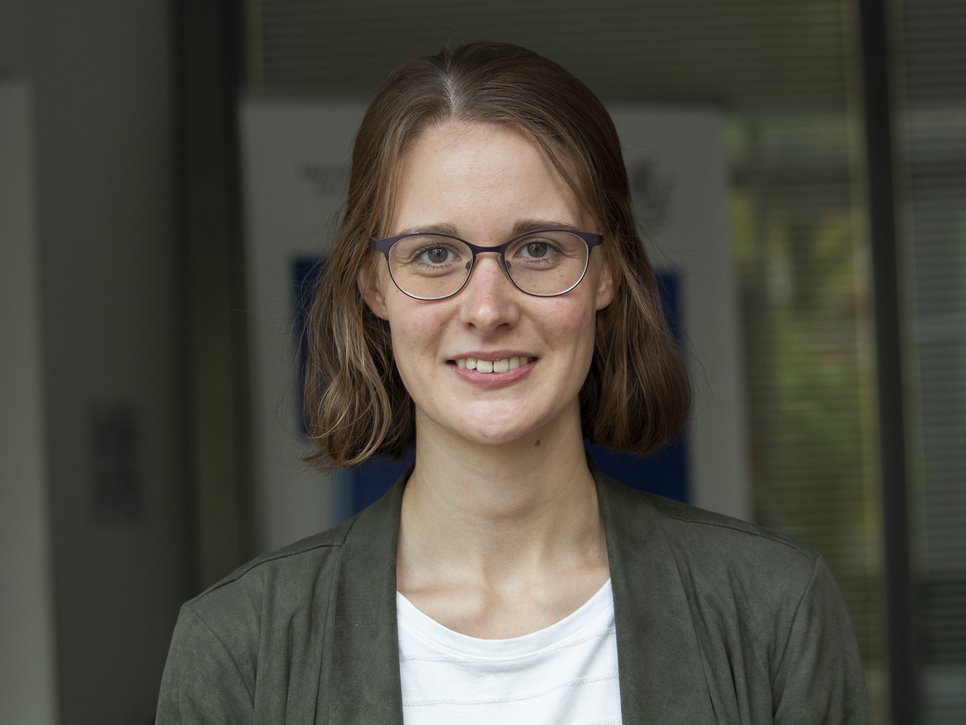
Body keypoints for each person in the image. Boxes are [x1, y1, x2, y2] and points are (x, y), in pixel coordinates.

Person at [157, 42, 869, 724]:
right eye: (435, 252)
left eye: (538, 248)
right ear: (374, 284)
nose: (489, 309)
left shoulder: (773, 609)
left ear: (608, 271)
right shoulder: (238, 645)